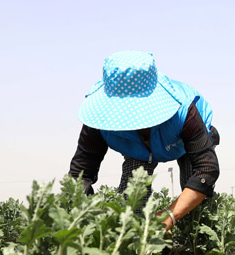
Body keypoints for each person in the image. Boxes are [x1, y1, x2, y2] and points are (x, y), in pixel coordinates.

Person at [69, 50, 220, 231]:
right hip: (137, 151)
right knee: (131, 206)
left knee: (194, 204)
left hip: (182, 144)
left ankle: (192, 239)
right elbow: (81, 173)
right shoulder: (98, 120)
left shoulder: (184, 111)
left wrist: (169, 216)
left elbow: (206, 170)